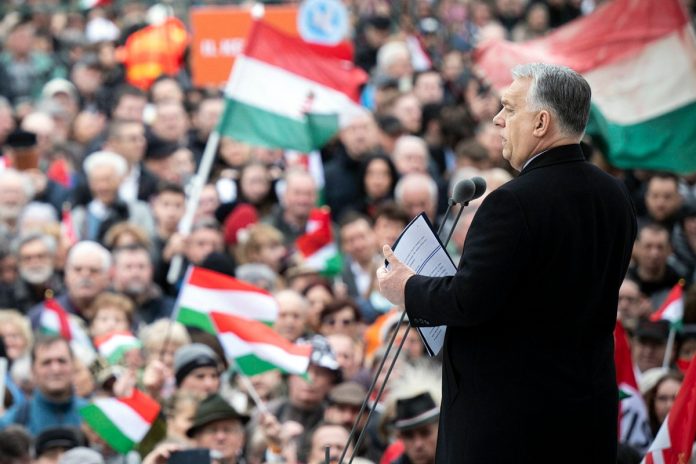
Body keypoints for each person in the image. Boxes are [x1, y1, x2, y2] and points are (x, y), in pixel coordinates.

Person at [376, 63, 636, 462]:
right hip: (586, 419)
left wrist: (407, 288)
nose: (498, 119)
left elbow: (468, 301)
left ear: (541, 122)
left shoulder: (512, 202)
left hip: (511, 429)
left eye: (510, 109)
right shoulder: (614, 195)